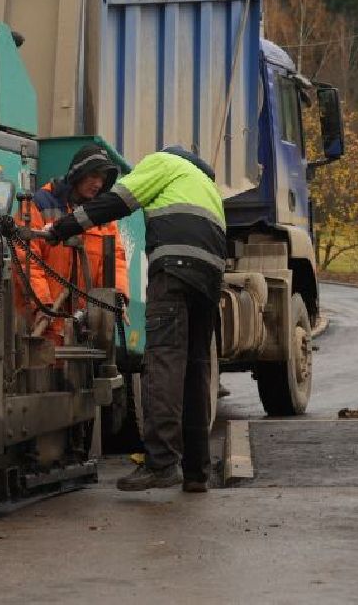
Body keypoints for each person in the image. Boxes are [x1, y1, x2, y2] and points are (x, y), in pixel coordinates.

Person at [39, 145, 225, 492]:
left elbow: (116, 203)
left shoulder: (161, 163)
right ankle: (197, 472)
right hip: (211, 278)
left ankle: (161, 464)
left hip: (174, 269)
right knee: (196, 368)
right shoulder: (204, 183)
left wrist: (61, 227)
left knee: (164, 362)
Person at [17, 144, 129, 346]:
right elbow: (26, 259)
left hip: (83, 332)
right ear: (78, 173)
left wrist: (117, 298)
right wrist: (42, 306)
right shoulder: (39, 204)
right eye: (93, 176)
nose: (98, 183)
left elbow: (115, 260)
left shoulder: (104, 217)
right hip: (43, 329)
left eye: (102, 179)